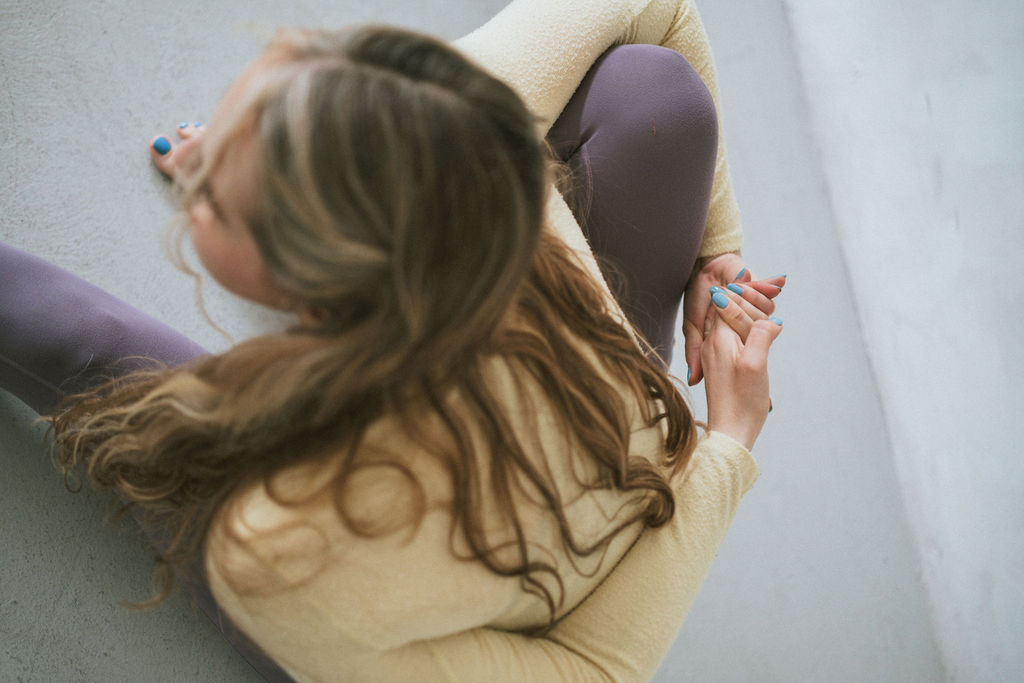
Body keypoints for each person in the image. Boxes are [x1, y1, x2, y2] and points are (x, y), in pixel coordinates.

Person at [0, 0, 785, 680]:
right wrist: (721, 251)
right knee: (657, 95)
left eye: (215, 197)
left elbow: (591, 668)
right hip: (608, 403)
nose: (201, 154)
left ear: (311, 292)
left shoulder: (280, 548)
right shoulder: (469, 126)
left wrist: (728, 449)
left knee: (94, 352)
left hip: (515, 595)